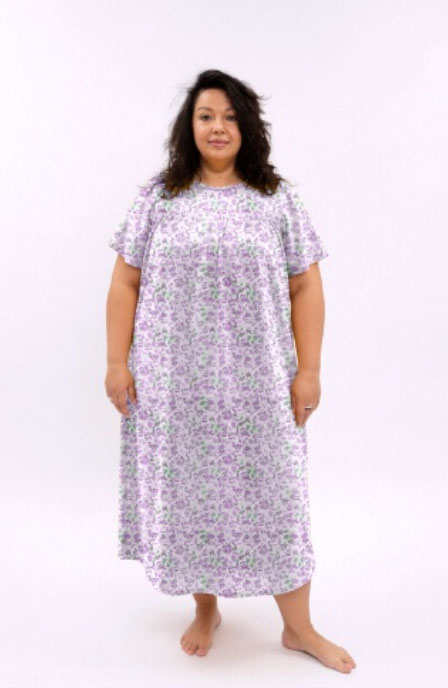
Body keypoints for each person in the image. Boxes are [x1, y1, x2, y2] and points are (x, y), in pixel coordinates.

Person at [105, 69, 356, 674]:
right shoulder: (159, 198)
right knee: (192, 496)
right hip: (174, 383)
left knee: (278, 497)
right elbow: (125, 282)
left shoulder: (277, 199)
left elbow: (306, 286)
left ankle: (298, 628)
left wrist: (309, 371)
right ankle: (206, 608)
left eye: (230, 116)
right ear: (188, 126)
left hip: (259, 382)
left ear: (248, 127)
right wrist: (116, 362)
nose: (218, 127)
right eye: (206, 116)